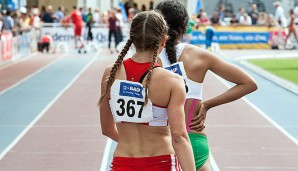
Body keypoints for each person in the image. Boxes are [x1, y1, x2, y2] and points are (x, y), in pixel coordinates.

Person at [155, 1, 258, 170]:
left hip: (161, 143)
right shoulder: (200, 56)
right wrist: (207, 105)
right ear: (185, 26)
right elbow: (249, 83)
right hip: (195, 142)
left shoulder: (147, 58)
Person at [99, 11, 196, 170]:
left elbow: (107, 129)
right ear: (164, 40)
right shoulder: (172, 81)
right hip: (161, 162)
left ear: (132, 38)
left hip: (123, 162)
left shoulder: (110, 73)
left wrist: (131, 144)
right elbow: (178, 137)